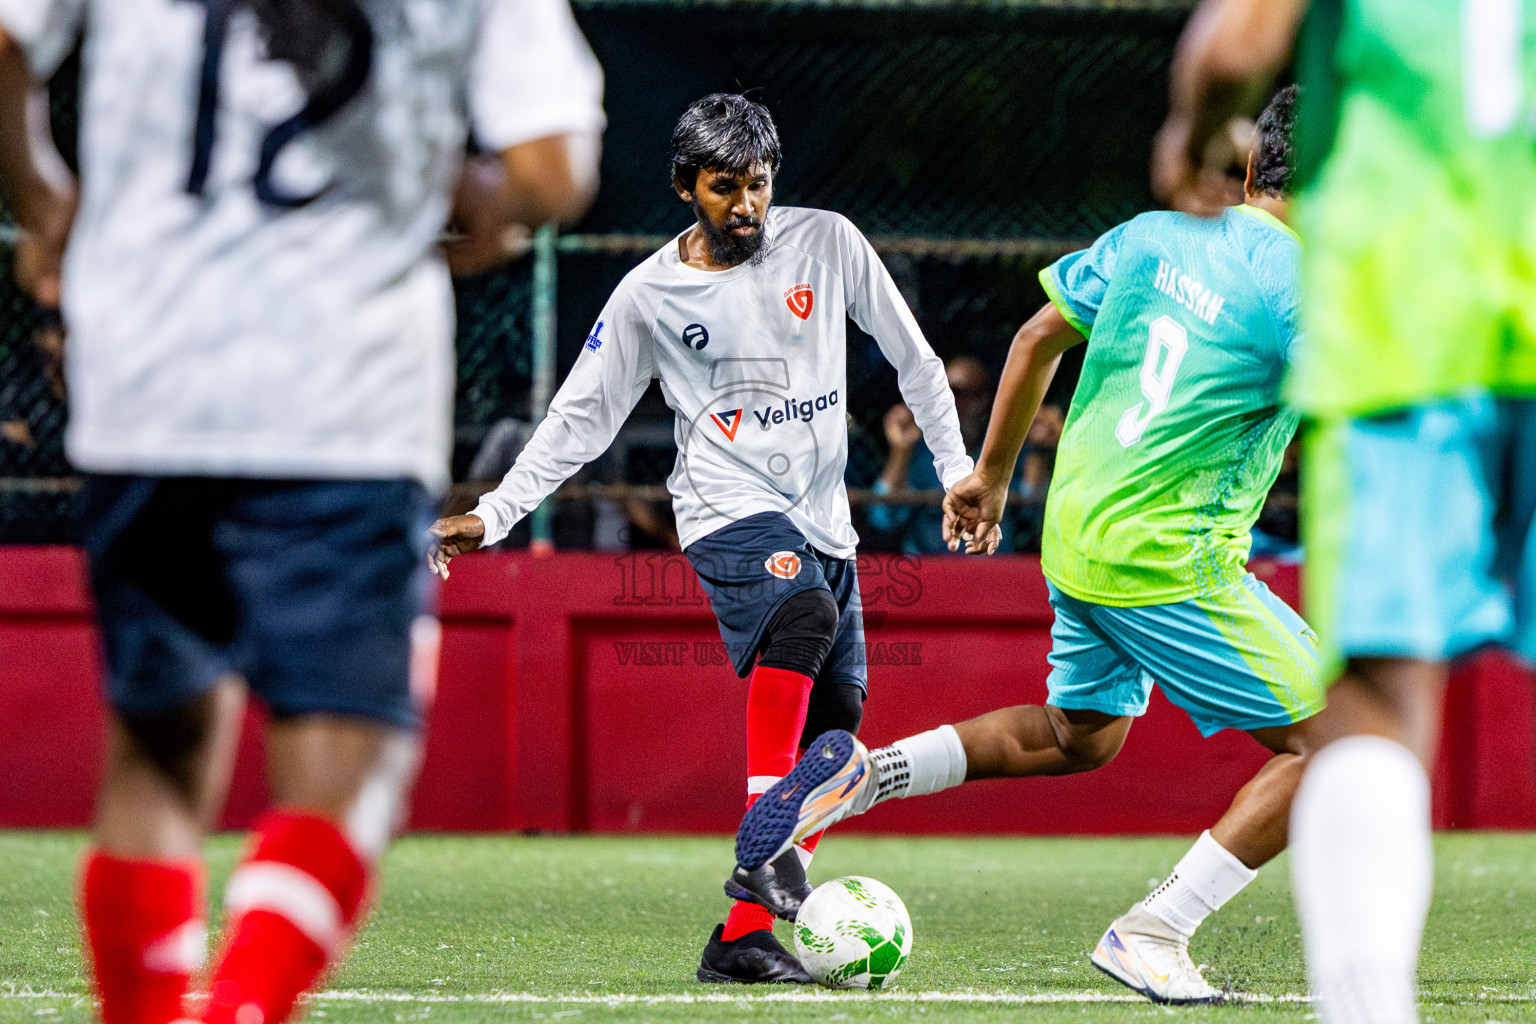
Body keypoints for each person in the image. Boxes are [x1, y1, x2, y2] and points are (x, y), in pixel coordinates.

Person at [0, 2, 603, 1023]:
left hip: (146, 382)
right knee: (354, 764)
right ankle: (244, 1007)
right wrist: (478, 205)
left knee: (158, 747)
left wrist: (41, 192)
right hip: (343, 395)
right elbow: (551, 169)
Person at [733, 87, 1323, 1005]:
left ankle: (864, 775)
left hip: (1077, 532)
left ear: (1249, 169)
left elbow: (1038, 334)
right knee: (1342, 744)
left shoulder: (1153, 234)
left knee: (1076, 735)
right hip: (1165, 556)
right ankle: (1154, 931)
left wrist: (991, 477)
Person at [427, 93, 973, 985]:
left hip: (824, 517)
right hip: (724, 508)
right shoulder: (649, 295)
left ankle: (743, 938)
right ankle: (767, 851)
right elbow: (580, 419)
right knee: (800, 616)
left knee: (836, 729)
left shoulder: (829, 242)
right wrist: (495, 513)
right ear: (687, 187)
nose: (747, 205)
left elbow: (916, 361)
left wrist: (957, 473)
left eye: (758, 184)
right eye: (725, 187)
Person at [1155, 2, 1536, 1022]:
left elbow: (1233, 47)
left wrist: (1194, 137)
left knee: (1378, 703)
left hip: (1403, 327)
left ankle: (1367, 1006)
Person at [869, 356, 1062, 554]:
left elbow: (1035, 517)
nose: (956, 403)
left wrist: (1038, 451)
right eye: (948, 392)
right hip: (931, 566)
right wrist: (901, 450)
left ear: (987, 401)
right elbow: (882, 517)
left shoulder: (1006, 449)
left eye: (972, 394)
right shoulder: (921, 452)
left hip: (995, 567)